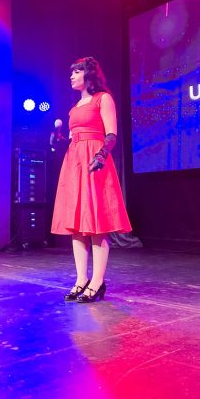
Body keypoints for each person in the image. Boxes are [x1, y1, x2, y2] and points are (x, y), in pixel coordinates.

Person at [51, 57, 131, 303]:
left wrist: (101, 155)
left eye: (77, 71)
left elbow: (111, 134)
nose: (72, 76)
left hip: (94, 161)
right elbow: (74, 138)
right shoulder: (74, 107)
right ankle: (81, 280)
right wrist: (58, 140)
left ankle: (97, 281)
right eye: (71, 72)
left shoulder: (103, 99)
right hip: (74, 163)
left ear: (89, 74)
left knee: (97, 222)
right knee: (76, 224)